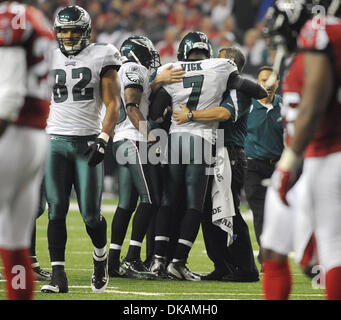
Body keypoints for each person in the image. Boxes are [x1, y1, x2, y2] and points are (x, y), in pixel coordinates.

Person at [148, 31, 267, 280]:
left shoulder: (172, 68)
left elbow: (155, 111)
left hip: (193, 143)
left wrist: (160, 82)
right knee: (195, 205)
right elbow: (255, 89)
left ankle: (160, 260)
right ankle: (177, 261)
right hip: (203, 142)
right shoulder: (221, 68)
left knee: (178, 202)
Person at [41, 5, 121, 294]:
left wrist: (104, 137)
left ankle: (100, 259)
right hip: (54, 142)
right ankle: (57, 277)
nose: (70, 35)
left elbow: (113, 104)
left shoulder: (103, 54)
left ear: (86, 31)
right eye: (64, 30)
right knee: (56, 210)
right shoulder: (47, 55)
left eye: (75, 30)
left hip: (88, 141)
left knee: (90, 215)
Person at [264, 0, 341, 300]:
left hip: (320, 155)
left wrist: (288, 163)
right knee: (272, 248)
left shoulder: (320, 36)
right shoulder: (296, 58)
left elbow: (312, 108)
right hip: (298, 158)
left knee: (328, 252)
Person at [107, 35, 184, 279]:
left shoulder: (128, 70)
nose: (152, 60)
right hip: (133, 139)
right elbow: (131, 106)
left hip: (122, 139)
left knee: (126, 204)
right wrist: (150, 136)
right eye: (148, 54)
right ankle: (131, 259)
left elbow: (139, 94)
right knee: (150, 199)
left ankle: (112, 261)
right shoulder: (134, 68)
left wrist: (156, 81)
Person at [0, 0, 54, 299]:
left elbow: (9, 94)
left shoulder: (11, 18)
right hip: (34, 137)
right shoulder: (36, 18)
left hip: (12, 132)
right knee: (14, 241)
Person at [196, 47, 260, 282]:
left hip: (229, 153)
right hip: (213, 152)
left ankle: (246, 268)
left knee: (229, 210)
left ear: (231, 63)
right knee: (206, 211)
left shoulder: (237, 90)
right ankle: (222, 264)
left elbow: (223, 114)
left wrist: (191, 115)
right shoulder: (217, 87)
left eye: (218, 59)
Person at [244, 65, 284, 269]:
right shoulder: (246, 106)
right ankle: (267, 259)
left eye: (271, 80)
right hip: (252, 167)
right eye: (263, 80)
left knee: (278, 215)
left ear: (277, 83)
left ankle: (270, 253)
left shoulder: (284, 108)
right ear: (257, 83)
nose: (267, 85)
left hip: (278, 168)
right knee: (260, 213)